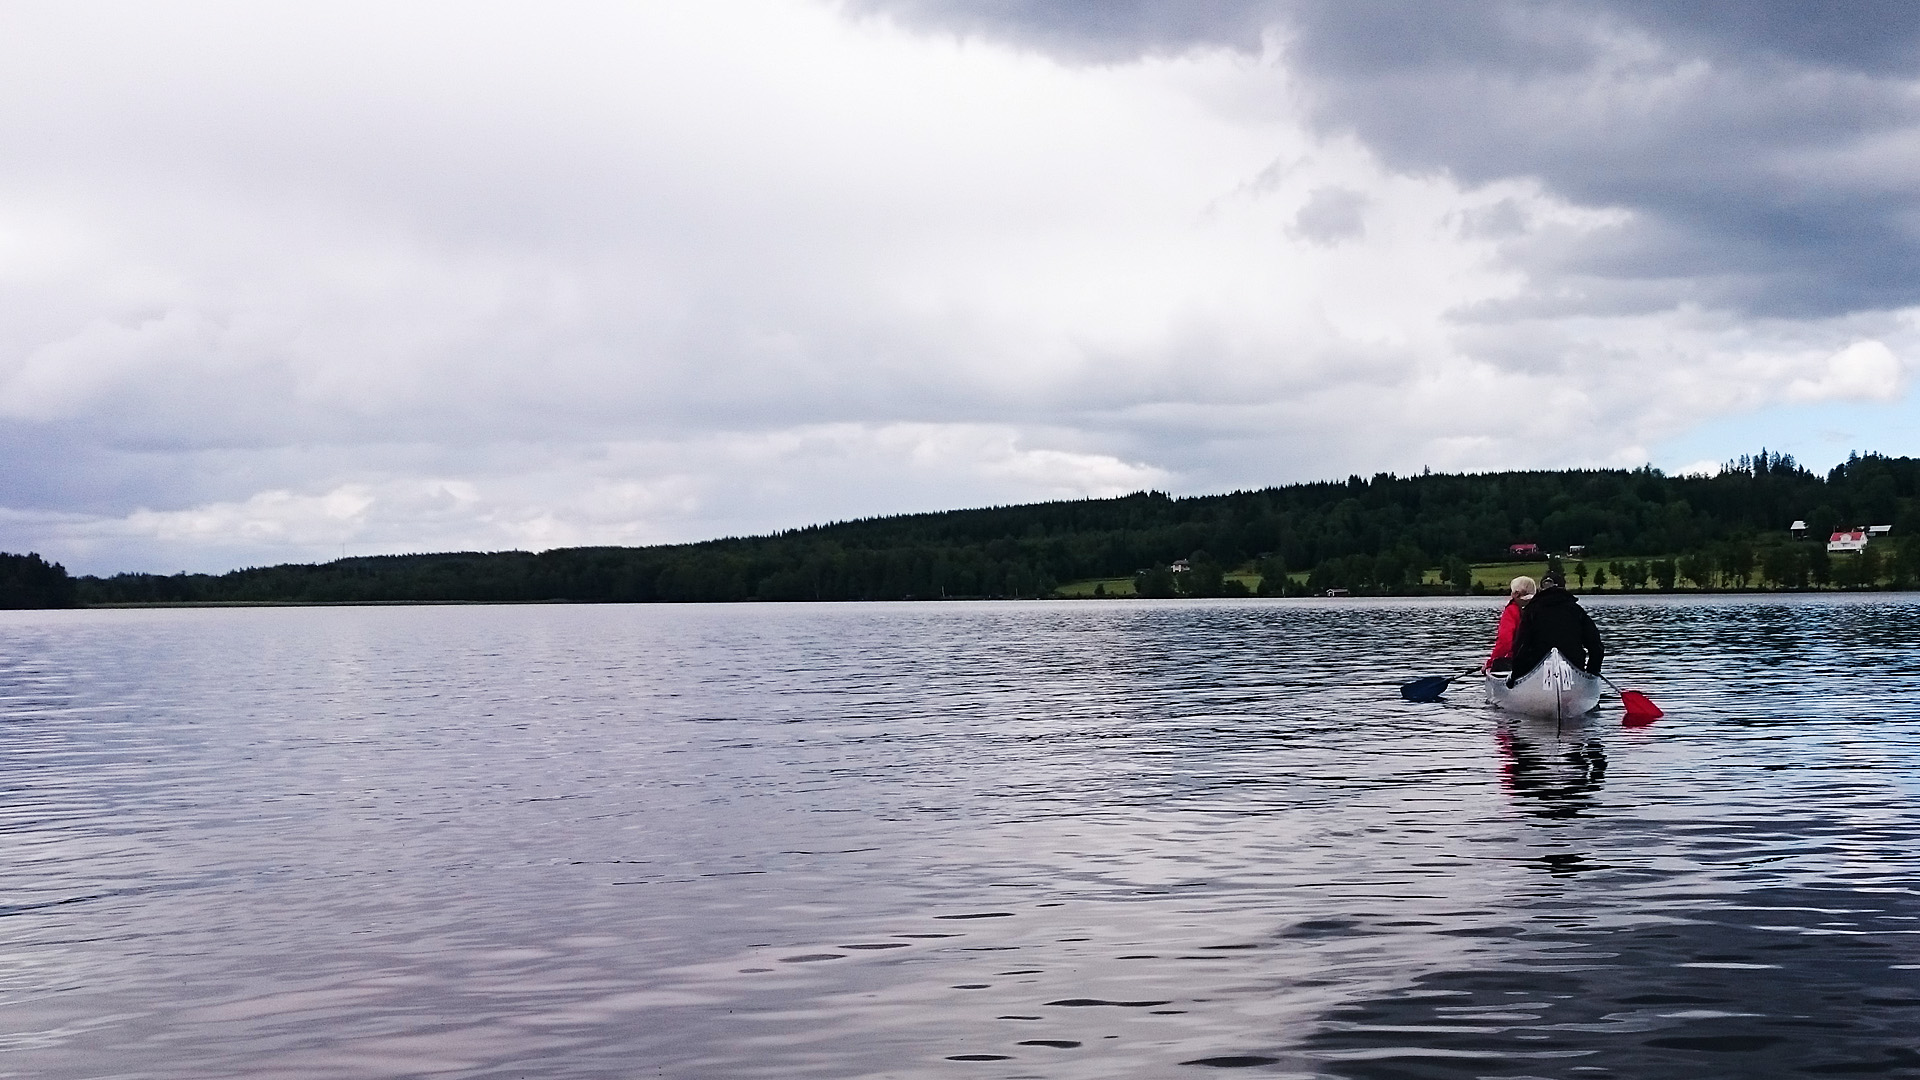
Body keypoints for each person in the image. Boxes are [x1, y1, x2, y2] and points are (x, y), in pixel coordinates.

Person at [1507, 571, 1604, 685]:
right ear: (1564, 588)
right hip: (1573, 670)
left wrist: (1516, 675)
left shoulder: (1531, 611)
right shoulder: (1577, 611)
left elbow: (1520, 646)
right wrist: (1592, 671)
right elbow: (1596, 646)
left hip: (1537, 673)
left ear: (1541, 589)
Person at [1483, 576, 1536, 674]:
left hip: (1517, 661)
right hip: (1538, 660)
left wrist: (1490, 663)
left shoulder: (1511, 610)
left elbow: (1504, 642)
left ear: (1516, 593)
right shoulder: (1541, 607)